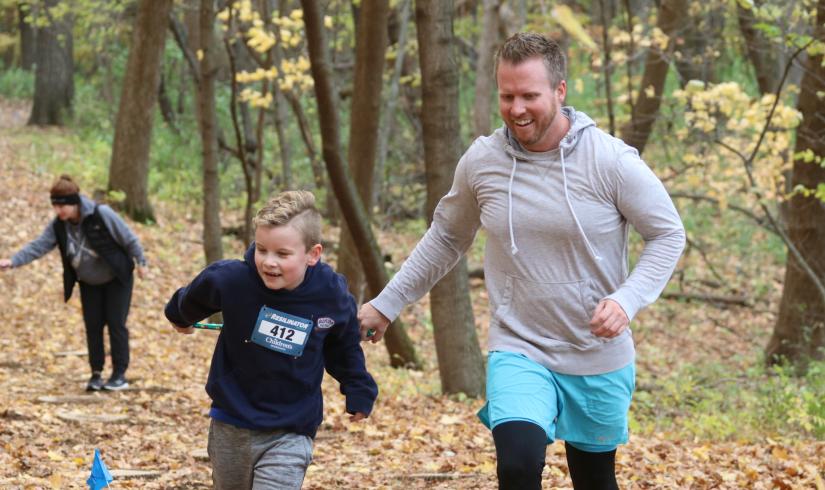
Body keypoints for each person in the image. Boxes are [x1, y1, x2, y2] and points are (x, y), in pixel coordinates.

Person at [358, 33, 685, 489]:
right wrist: (386, 303)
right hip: (520, 345)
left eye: (529, 95)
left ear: (559, 91)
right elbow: (447, 237)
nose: (517, 109)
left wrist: (627, 300)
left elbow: (668, 233)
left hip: (596, 353)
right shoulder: (483, 161)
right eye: (507, 96)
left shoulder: (611, 161)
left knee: (594, 480)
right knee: (517, 465)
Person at [165, 190, 378, 490]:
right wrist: (180, 317)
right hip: (232, 420)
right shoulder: (234, 280)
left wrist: (358, 387)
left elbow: (342, 345)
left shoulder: (330, 295)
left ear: (312, 254)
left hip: (290, 429)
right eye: (261, 249)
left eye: (282, 254)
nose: (268, 262)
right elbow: (194, 296)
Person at [0, 175, 147, 391]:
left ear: (74, 202)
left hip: (117, 278)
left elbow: (129, 238)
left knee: (116, 324)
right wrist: (13, 261)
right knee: (93, 327)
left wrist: (141, 262)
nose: (59, 211)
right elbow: (39, 246)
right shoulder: (59, 226)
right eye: (55, 206)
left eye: (62, 206)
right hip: (88, 282)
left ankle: (119, 374)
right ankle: (96, 373)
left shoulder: (100, 214)